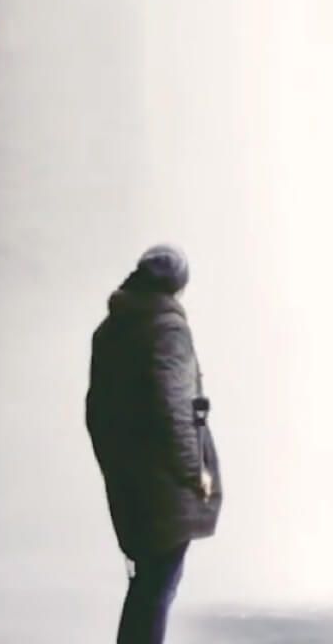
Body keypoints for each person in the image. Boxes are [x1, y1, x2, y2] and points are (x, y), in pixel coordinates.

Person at [86, 244, 223, 644]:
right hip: (164, 481)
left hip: (127, 475)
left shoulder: (111, 329)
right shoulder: (167, 329)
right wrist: (195, 474)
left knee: (146, 583)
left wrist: (115, 462)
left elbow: (96, 412)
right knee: (158, 585)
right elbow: (174, 410)